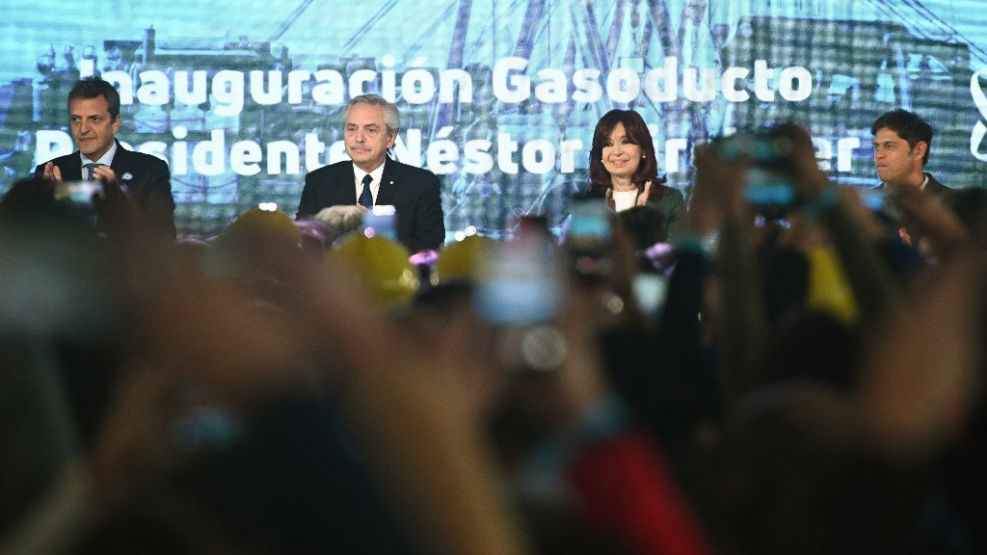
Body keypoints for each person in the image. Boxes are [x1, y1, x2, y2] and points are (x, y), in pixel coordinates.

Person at [296, 94, 445, 252]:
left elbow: (429, 247)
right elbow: (304, 242)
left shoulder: (420, 184)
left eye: (371, 130)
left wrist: (373, 229)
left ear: (390, 137)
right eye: (352, 129)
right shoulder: (320, 182)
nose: (359, 138)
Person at [32, 77, 176, 241]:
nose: (83, 129)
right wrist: (48, 206)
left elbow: (164, 237)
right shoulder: (50, 171)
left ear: (115, 123)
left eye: (94, 119)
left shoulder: (150, 170)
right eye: (76, 119)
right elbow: (30, 243)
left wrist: (119, 201)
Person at [587, 109, 686, 240]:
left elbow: (675, 257)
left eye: (626, 141)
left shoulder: (669, 200)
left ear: (643, 149)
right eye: (607, 144)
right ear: (600, 154)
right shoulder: (588, 202)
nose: (616, 152)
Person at [871, 109, 954, 246]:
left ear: (918, 150)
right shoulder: (865, 207)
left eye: (889, 146)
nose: (879, 155)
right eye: (876, 147)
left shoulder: (951, 206)